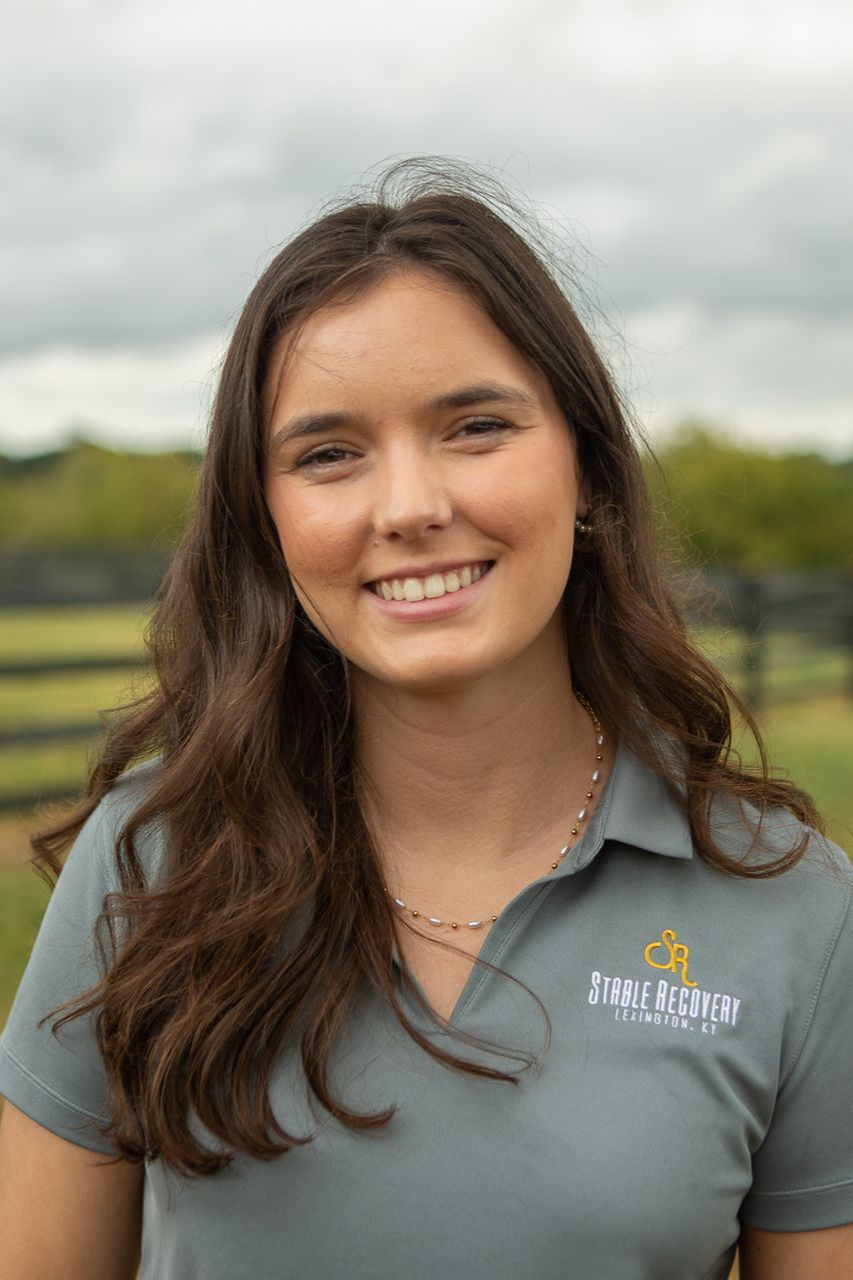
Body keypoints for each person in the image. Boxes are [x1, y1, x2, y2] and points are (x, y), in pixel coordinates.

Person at [0, 158, 851, 1280]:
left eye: (475, 426)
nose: (409, 508)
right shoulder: (150, 858)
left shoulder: (791, 911)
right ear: (266, 518)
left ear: (590, 469)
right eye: (328, 453)